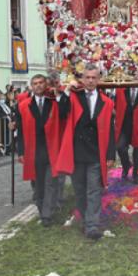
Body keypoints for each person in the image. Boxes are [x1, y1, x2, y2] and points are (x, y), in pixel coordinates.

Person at [54, 64, 117, 240]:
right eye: (87, 77)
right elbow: (61, 112)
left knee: (94, 190)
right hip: (76, 153)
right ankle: (85, 219)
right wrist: (67, 91)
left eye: (93, 77)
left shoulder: (106, 102)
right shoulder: (74, 97)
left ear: (98, 79)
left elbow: (110, 129)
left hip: (96, 152)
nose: (90, 81)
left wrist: (110, 154)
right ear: (82, 79)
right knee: (80, 189)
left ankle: (92, 225)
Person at [15, 74, 68, 227]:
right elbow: (20, 132)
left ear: (45, 85)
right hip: (33, 150)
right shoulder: (23, 105)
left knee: (50, 182)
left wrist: (59, 92)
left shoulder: (54, 103)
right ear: (31, 86)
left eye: (41, 83)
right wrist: (21, 152)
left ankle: (47, 215)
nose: (38, 86)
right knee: (38, 184)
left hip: (51, 149)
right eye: (35, 83)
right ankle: (41, 207)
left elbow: (65, 111)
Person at [114, 81, 138, 183]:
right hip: (125, 126)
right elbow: (115, 104)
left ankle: (137, 175)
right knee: (120, 147)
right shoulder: (122, 89)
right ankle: (126, 165)